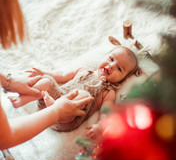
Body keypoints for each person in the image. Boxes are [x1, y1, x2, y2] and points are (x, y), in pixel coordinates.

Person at [0, 0, 93, 150]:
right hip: (58, 99)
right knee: (47, 81)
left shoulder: (106, 88)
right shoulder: (84, 70)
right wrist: (56, 112)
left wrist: (8, 81)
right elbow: (3, 137)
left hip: (64, 100)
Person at [9, 44, 142, 138]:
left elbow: (106, 112)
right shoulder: (83, 69)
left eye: (119, 69)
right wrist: (43, 72)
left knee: (84, 95)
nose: (111, 66)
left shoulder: (108, 91)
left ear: (123, 78)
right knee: (47, 80)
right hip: (50, 103)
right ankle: (22, 99)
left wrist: (100, 126)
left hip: (68, 117)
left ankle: (55, 106)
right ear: (104, 56)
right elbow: (60, 75)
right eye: (111, 59)